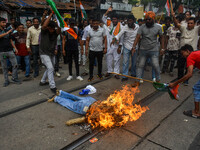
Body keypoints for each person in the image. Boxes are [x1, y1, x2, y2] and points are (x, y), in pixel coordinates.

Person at [131, 11, 165, 87]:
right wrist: (133, 47)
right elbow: (137, 37)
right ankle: (137, 81)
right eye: (146, 19)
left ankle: (158, 80)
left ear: (153, 19)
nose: (147, 21)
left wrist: (162, 48)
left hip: (154, 50)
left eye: (149, 19)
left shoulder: (158, 27)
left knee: (156, 65)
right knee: (140, 65)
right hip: (143, 50)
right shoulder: (142, 27)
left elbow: (162, 38)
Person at [169, 44, 200, 118]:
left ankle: (196, 112)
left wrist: (174, 83)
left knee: (196, 88)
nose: (183, 56)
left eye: (183, 53)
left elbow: (189, 74)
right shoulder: (196, 53)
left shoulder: (190, 56)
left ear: (187, 51)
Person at [172, 13, 200, 85]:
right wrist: (173, 16)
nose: (189, 24)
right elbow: (176, 24)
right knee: (180, 65)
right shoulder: (183, 28)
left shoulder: (197, 29)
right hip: (183, 51)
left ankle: (186, 79)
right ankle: (180, 78)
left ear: (194, 24)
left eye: (191, 23)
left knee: (189, 68)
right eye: (188, 23)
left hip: (191, 52)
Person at [113, 14, 139, 82]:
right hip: (126, 46)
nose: (129, 22)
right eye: (128, 21)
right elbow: (119, 35)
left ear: (133, 21)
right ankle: (125, 75)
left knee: (134, 62)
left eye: (130, 21)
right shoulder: (125, 27)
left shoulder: (137, 27)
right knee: (125, 62)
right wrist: (114, 39)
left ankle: (133, 73)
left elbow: (139, 37)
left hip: (135, 47)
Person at [39, 12, 61, 94]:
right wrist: (51, 14)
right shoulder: (44, 31)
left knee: (50, 67)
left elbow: (59, 29)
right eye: (50, 28)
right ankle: (53, 86)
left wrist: (57, 18)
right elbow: (44, 25)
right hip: (44, 53)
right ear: (48, 28)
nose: (52, 30)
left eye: (53, 28)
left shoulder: (55, 32)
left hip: (51, 53)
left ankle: (43, 81)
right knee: (51, 68)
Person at [102, 6, 123, 79]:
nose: (114, 21)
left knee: (117, 60)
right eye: (113, 19)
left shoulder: (121, 27)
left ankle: (116, 73)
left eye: (115, 19)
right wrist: (107, 11)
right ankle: (109, 71)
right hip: (109, 45)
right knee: (108, 59)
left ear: (118, 20)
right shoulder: (109, 24)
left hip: (117, 46)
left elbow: (122, 38)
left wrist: (120, 47)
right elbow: (103, 18)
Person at [0, 17, 21, 87]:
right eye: (3, 22)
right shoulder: (6, 31)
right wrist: (7, 32)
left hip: (10, 51)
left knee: (15, 64)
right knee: (4, 67)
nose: (4, 24)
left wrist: (15, 48)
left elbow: (10, 40)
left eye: (5, 22)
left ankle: (14, 78)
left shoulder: (6, 30)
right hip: (2, 52)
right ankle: (6, 81)